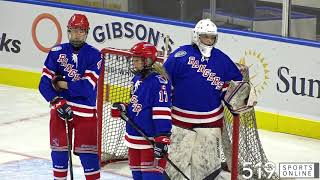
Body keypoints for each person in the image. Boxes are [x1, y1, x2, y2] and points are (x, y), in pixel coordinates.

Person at [163, 19, 244, 180]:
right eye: (205, 37)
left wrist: (240, 96)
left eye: (211, 37)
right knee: (173, 168)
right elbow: (163, 83)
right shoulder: (181, 55)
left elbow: (235, 87)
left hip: (210, 123)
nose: (208, 40)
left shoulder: (222, 60)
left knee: (207, 170)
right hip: (179, 122)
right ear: (196, 36)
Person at [38, 13, 102, 180]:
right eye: (74, 30)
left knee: (89, 158)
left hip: (86, 114)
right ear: (68, 31)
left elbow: (86, 88)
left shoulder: (95, 55)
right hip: (60, 109)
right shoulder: (56, 52)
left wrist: (61, 83)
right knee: (59, 154)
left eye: (81, 31)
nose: (77, 34)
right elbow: (43, 84)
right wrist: (57, 100)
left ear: (86, 32)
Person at [111, 42, 172, 180]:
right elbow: (136, 105)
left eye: (137, 60)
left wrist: (162, 137)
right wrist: (123, 108)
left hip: (150, 141)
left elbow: (162, 112)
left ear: (148, 60)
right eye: (133, 59)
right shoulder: (137, 78)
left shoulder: (159, 82)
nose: (134, 63)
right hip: (133, 140)